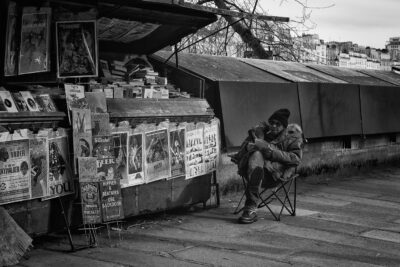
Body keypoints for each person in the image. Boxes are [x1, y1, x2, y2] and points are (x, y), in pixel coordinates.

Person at [233, 108, 304, 224]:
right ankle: (250, 209)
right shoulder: (257, 133)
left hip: (273, 176)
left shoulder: (292, 139)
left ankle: (250, 207)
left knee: (258, 154)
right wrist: (246, 148)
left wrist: (271, 152)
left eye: (278, 124)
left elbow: (295, 159)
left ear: (284, 127)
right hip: (251, 172)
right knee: (256, 154)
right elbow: (239, 154)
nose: (274, 126)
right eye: (272, 123)